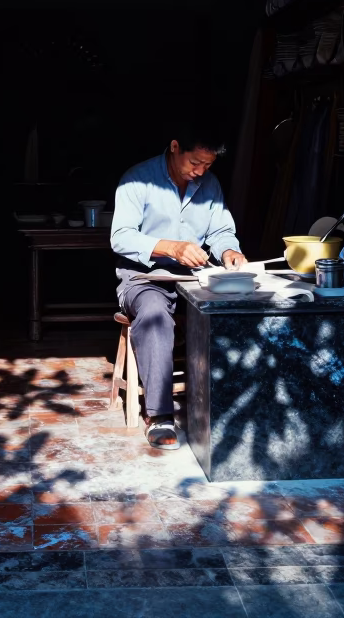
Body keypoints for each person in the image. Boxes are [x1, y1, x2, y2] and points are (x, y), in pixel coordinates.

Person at [109, 122, 246, 449]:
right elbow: (121, 237)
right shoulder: (137, 179)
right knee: (155, 313)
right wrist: (171, 248)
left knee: (235, 303)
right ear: (174, 148)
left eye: (207, 165)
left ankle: (229, 402)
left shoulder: (210, 184)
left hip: (193, 277)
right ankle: (160, 415)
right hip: (144, 277)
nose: (200, 172)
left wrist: (230, 251)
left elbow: (220, 232)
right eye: (194, 162)